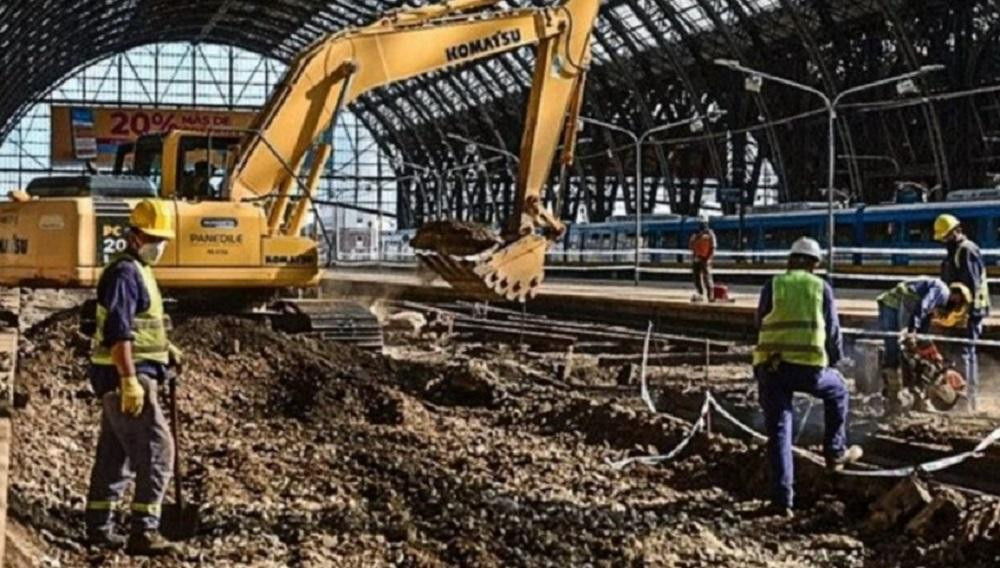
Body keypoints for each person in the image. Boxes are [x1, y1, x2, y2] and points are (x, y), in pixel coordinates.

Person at [85, 199, 181, 555]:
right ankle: (145, 530)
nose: (160, 244)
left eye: (162, 237)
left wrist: (164, 350)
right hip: (128, 377)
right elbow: (119, 331)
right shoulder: (126, 273)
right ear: (136, 235)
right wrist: (129, 380)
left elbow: (143, 328)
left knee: (114, 454)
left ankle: (99, 525)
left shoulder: (139, 269)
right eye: (154, 237)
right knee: (158, 451)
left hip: (126, 374)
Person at [753, 237, 863, 517]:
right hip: (809, 370)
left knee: (779, 432)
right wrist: (835, 362)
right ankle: (835, 452)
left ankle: (782, 502)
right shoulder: (820, 287)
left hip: (771, 368)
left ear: (790, 260)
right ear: (815, 264)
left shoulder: (773, 285)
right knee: (837, 390)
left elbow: (758, 323)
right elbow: (834, 332)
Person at [876, 278, 971, 413]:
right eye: (957, 304)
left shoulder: (935, 304)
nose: (954, 307)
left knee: (911, 353)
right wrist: (912, 331)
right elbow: (922, 306)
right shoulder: (942, 291)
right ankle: (893, 398)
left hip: (906, 305)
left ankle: (917, 397)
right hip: (893, 304)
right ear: (956, 295)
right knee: (895, 347)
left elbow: (923, 331)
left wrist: (928, 350)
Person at [934, 214, 991, 410]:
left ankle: (966, 400)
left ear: (955, 231)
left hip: (969, 312)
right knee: (957, 351)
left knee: (964, 352)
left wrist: (963, 313)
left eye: (945, 237)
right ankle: (959, 396)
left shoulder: (966, 251)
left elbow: (970, 287)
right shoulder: (955, 252)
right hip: (959, 312)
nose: (944, 241)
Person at [688, 215, 716, 302]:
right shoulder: (696, 235)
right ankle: (700, 293)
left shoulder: (710, 234)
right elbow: (692, 245)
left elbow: (713, 247)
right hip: (697, 258)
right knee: (696, 277)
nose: (701, 225)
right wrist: (694, 256)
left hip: (705, 259)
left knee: (707, 277)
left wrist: (708, 258)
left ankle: (710, 295)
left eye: (703, 223)